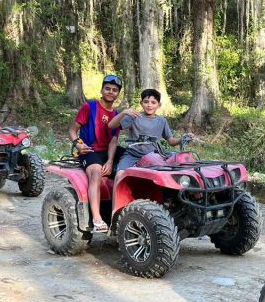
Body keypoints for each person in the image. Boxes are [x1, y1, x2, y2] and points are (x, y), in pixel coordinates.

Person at [68, 74, 124, 233]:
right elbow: (72, 130)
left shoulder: (117, 115)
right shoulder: (89, 107)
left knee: (137, 161)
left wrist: (111, 161)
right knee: (96, 173)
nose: (111, 92)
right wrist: (78, 145)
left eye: (114, 90)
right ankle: (97, 218)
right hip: (90, 150)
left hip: (108, 151)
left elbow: (114, 140)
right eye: (108, 89)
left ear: (118, 94)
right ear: (102, 90)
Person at [108, 88, 187, 176]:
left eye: (153, 102)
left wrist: (183, 138)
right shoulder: (134, 116)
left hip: (153, 156)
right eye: (146, 102)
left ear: (159, 105)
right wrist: (124, 112)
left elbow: (171, 141)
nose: (149, 105)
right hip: (132, 155)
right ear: (141, 103)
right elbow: (111, 125)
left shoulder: (162, 121)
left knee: (158, 177)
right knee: (120, 174)